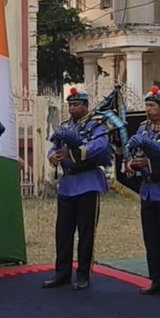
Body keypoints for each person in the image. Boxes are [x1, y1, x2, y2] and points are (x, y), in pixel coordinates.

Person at [43, 88, 112, 291]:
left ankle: (83, 274)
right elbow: (54, 146)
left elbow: (100, 146)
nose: (72, 108)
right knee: (63, 232)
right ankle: (62, 273)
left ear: (85, 106)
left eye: (76, 104)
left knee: (86, 232)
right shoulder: (66, 127)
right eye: (70, 104)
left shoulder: (96, 126)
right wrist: (53, 156)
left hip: (88, 181)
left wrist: (73, 152)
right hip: (67, 185)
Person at [125, 86, 160, 298]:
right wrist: (131, 164)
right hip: (148, 189)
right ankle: (156, 279)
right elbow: (133, 151)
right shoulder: (142, 129)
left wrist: (150, 164)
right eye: (147, 105)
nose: (148, 110)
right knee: (151, 237)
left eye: (152, 106)